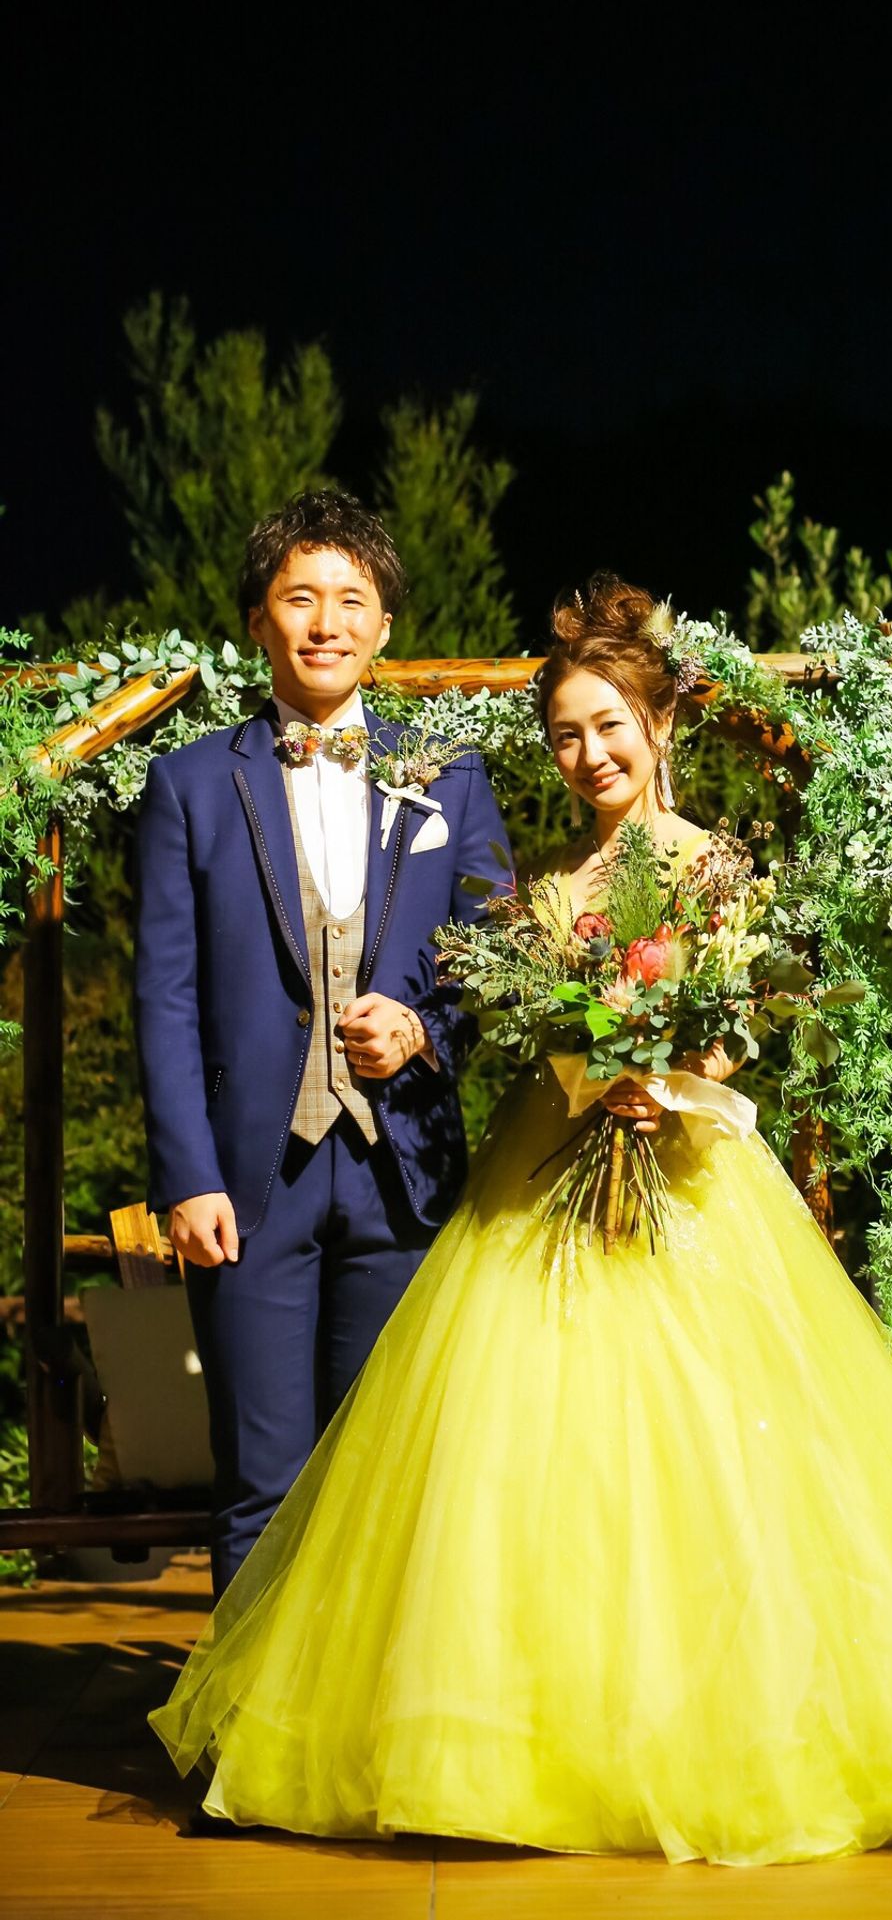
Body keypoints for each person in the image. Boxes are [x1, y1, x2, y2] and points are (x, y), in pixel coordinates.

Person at [151, 575, 892, 1864]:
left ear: (659, 723)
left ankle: (739, 1725)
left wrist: (680, 1070)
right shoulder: (543, 880)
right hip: (547, 1177)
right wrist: (580, 1059)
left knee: (731, 1467)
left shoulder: (713, 866)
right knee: (529, 1473)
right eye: (565, 735)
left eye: (607, 726)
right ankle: (543, 1731)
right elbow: (508, 1019)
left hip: (685, 1183)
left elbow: (745, 1022)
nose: (588, 755)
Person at [134, 490, 510, 1597]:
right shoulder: (190, 784)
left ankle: (367, 1705)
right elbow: (164, 995)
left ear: (385, 624)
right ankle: (250, 1709)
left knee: (384, 1481)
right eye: (300, 597)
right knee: (262, 1488)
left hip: (404, 1176)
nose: (326, 621)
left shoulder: (451, 775)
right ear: (259, 618)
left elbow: (503, 958)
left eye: (352, 598)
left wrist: (424, 1026)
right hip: (248, 1183)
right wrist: (187, 1176)